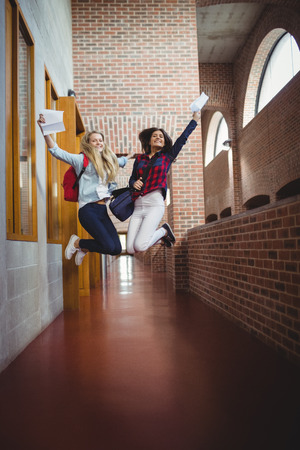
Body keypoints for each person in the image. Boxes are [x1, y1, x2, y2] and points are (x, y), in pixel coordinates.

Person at [37, 114, 133, 265]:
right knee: (107, 245)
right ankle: (77, 243)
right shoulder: (81, 160)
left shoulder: (109, 160)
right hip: (88, 210)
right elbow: (56, 151)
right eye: (94, 140)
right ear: (88, 143)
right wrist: (45, 130)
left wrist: (136, 156)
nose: (98, 143)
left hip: (102, 211)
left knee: (116, 249)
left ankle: (83, 248)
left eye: (100, 140)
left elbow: (121, 161)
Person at [126, 111, 201, 254]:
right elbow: (132, 178)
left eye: (161, 136)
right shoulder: (140, 159)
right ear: (149, 141)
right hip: (138, 206)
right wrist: (133, 183)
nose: (158, 138)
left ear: (165, 141)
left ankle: (163, 231)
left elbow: (182, 139)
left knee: (140, 246)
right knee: (130, 249)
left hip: (154, 204)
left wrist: (194, 120)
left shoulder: (168, 156)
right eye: (154, 136)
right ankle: (161, 238)